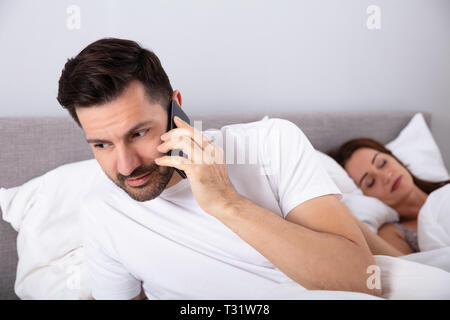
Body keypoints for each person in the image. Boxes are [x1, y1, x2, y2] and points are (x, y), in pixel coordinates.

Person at [56, 38, 380, 300]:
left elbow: (361, 280)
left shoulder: (271, 143)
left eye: (139, 133)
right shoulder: (100, 211)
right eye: (102, 145)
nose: (126, 165)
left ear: (175, 107)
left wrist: (227, 203)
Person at [331, 138, 450, 255]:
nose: (386, 176)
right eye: (371, 182)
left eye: (382, 163)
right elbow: (415, 271)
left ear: (394, 158)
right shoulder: (392, 233)